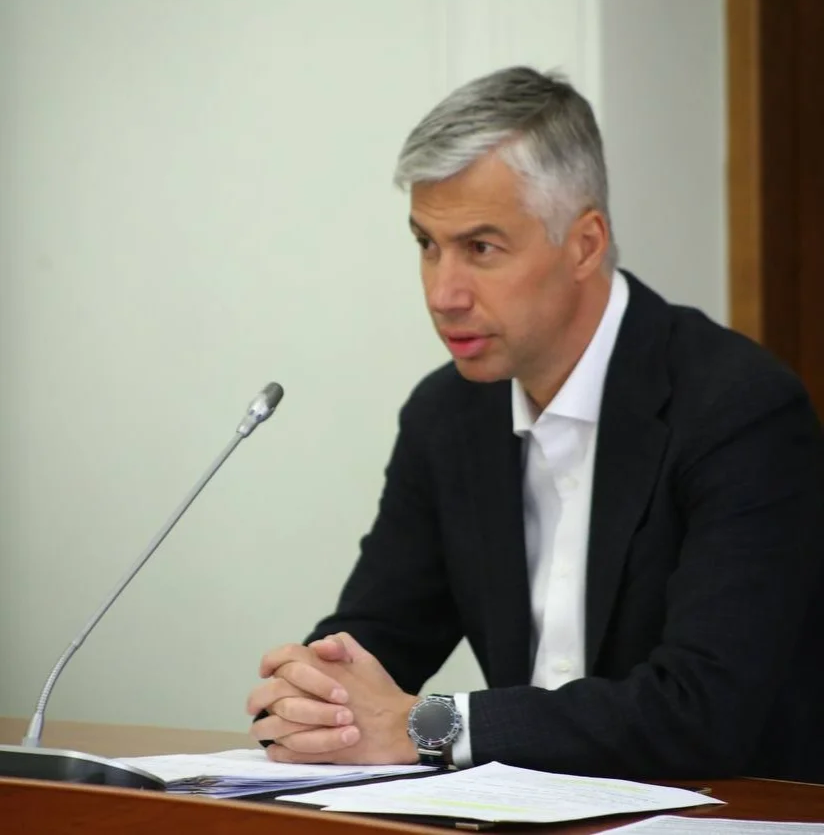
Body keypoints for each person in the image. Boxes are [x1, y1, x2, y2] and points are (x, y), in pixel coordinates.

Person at [246, 66, 824, 782]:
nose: (443, 293)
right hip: (525, 814)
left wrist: (427, 726)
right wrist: (313, 697)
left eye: (480, 249)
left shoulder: (738, 408)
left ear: (585, 244)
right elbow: (378, 637)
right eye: (427, 244)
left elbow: (701, 711)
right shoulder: (447, 416)